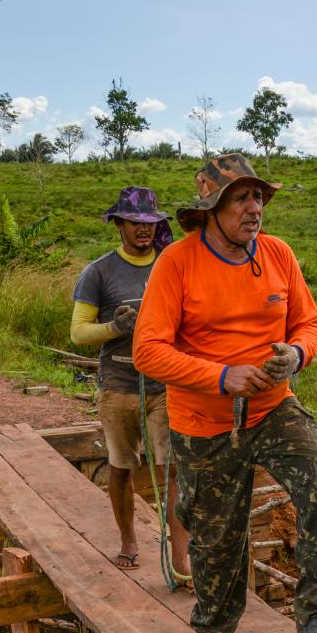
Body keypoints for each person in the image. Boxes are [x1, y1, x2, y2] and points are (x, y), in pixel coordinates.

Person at [133, 154, 317, 633]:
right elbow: (147, 350)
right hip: (203, 422)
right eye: (241, 198)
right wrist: (222, 376)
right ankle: (213, 630)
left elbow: (310, 324)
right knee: (217, 533)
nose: (254, 207)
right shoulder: (178, 262)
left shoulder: (277, 254)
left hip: (273, 408)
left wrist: (296, 354)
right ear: (211, 208)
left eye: (259, 197)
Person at [71, 187, 191, 582]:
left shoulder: (172, 264)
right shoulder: (100, 272)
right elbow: (78, 333)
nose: (143, 230)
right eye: (135, 223)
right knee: (122, 466)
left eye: (150, 223)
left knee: (170, 467)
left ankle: (179, 552)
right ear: (119, 224)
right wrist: (115, 327)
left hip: (166, 384)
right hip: (119, 383)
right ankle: (128, 541)